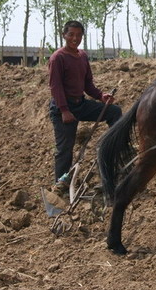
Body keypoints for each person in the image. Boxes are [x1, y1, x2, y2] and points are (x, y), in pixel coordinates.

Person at [48, 20, 122, 193]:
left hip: (80, 103)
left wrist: (100, 96)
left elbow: (87, 84)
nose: (75, 38)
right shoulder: (57, 58)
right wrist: (65, 110)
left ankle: (114, 146)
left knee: (114, 112)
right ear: (64, 35)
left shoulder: (82, 56)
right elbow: (55, 87)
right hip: (62, 109)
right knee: (65, 149)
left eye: (79, 35)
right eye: (71, 34)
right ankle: (61, 185)